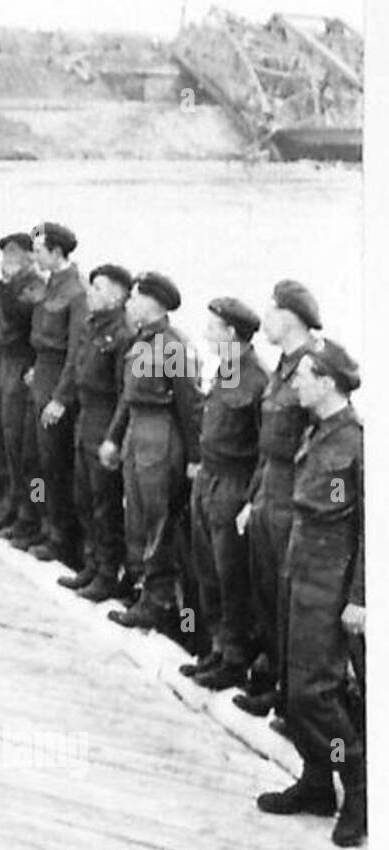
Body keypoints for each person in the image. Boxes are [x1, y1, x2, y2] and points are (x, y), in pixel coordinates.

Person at [256, 339, 364, 848]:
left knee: (316, 694)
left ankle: (358, 787)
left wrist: (359, 598)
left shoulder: (357, 442)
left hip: (329, 581)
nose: (294, 382)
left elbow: (369, 528)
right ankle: (317, 783)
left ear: (327, 381)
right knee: (291, 685)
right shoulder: (319, 431)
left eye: (303, 376)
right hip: (298, 570)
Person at [233, 280, 323, 719]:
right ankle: (274, 683)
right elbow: (265, 445)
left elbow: (321, 440)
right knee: (266, 592)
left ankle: (291, 700)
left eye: (270, 312)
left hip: (294, 494)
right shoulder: (282, 367)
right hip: (269, 487)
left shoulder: (314, 369)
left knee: (288, 599)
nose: (264, 320)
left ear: (288, 316)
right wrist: (252, 499)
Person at [102, 271, 202, 630]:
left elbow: (190, 406)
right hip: (137, 431)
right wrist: (114, 438)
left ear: (152, 303)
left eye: (135, 298)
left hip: (162, 435)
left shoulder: (173, 346)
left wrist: (194, 458)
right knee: (137, 517)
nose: (129, 303)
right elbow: (128, 396)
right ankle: (143, 587)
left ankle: (159, 601)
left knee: (158, 520)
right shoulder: (141, 342)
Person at [180, 297, 268, 690]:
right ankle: (216, 648)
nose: (206, 334)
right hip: (209, 478)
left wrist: (251, 498)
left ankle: (235, 658)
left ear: (232, 333)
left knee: (231, 574)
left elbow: (264, 449)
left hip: (233, 484)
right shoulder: (226, 370)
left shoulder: (256, 378)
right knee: (209, 572)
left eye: (213, 328)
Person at [49, 264, 135, 599]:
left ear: (116, 296)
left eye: (98, 288)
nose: (90, 293)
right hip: (85, 418)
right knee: (83, 496)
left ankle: (108, 572)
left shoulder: (123, 334)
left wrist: (113, 437)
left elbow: (123, 393)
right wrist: (61, 399)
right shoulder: (92, 324)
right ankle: (91, 562)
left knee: (105, 503)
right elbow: (74, 366)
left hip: (104, 421)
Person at [24, 222, 88, 566]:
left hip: (57, 384)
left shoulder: (76, 293)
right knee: (36, 460)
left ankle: (60, 536)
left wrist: (61, 398)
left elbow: (77, 350)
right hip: (42, 375)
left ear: (57, 252)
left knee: (55, 466)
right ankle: (40, 521)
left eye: (39, 250)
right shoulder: (50, 286)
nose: (34, 256)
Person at [0, 232, 46, 538]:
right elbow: (2, 339)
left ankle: (31, 514)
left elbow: (19, 315)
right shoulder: (14, 286)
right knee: (4, 445)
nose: (7, 261)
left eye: (14, 255)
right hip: (7, 367)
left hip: (24, 372)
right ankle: (9, 507)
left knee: (25, 453)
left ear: (30, 257)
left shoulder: (35, 286)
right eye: (5, 255)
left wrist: (6, 284)